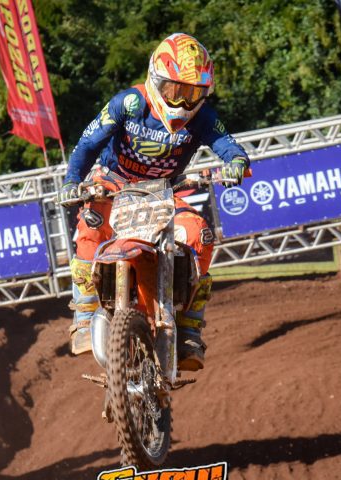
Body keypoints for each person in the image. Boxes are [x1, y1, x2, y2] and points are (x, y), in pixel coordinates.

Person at [58, 33, 250, 371]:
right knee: (90, 223)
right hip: (115, 182)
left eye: (193, 94)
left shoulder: (202, 117)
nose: (184, 102)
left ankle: (188, 328)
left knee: (200, 235)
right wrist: (73, 181)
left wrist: (236, 162)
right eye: (176, 90)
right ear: (156, 78)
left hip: (166, 190)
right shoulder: (130, 103)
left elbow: (228, 145)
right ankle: (85, 315)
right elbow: (88, 142)